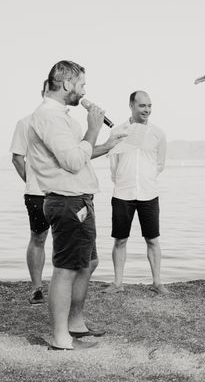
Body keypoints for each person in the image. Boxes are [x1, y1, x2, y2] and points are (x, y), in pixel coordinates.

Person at [28, 60, 125, 350]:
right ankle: (61, 338)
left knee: (88, 262)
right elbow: (71, 162)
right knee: (67, 268)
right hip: (67, 201)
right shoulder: (49, 116)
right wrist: (93, 127)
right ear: (67, 83)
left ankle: (75, 322)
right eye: (82, 84)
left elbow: (77, 153)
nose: (84, 91)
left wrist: (107, 145)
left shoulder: (60, 116)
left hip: (78, 199)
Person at [104, 91, 168, 295]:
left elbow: (160, 164)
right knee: (120, 240)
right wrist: (124, 179)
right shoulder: (118, 132)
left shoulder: (158, 133)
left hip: (149, 193)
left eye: (149, 106)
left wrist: (146, 178)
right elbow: (113, 165)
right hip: (123, 192)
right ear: (131, 105)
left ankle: (157, 282)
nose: (147, 110)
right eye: (142, 106)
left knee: (152, 239)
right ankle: (117, 283)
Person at [10, 80, 51, 305]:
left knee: (67, 241)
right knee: (39, 237)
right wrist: (32, 181)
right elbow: (17, 158)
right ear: (43, 92)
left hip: (64, 192)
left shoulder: (67, 123)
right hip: (36, 193)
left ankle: (65, 284)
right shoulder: (25, 123)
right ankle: (36, 288)